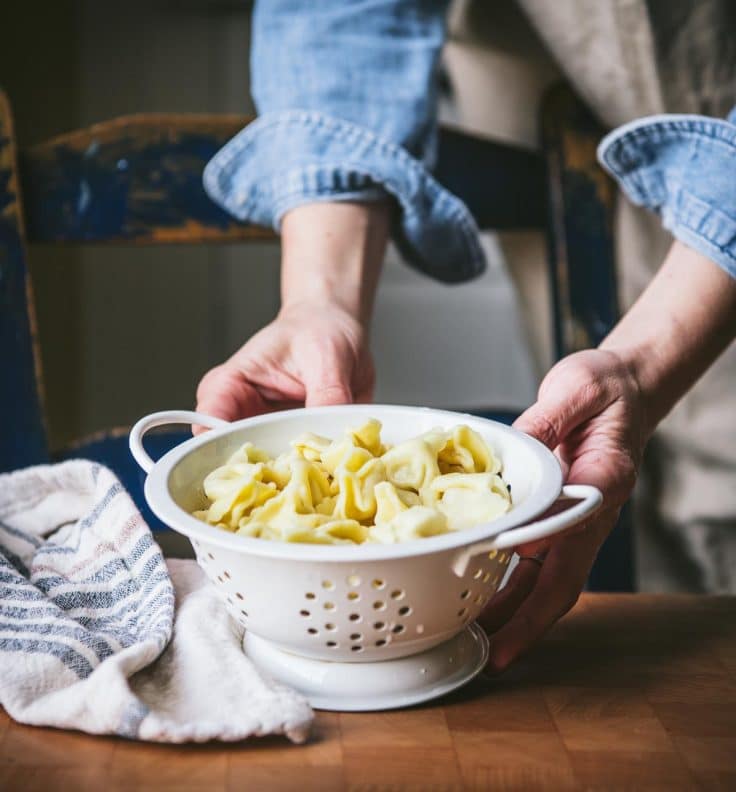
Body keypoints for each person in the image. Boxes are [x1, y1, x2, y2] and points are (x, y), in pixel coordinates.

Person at [195, 1, 736, 671]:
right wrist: (317, 303)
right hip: (541, 41)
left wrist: (645, 365)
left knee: (720, 453)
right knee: (586, 447)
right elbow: (342, 13)